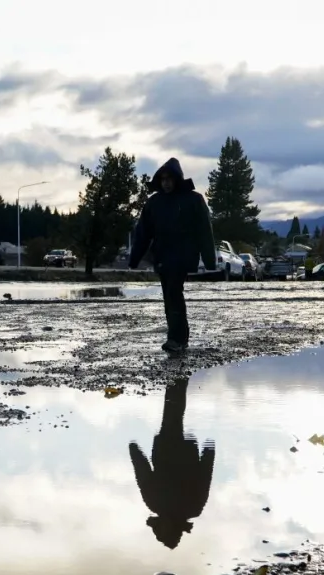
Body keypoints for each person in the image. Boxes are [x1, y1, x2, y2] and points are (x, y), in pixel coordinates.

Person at [129, 158, 216, 353]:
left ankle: (176, 339)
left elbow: (204, 230)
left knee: (173, 293)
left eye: (169, 178)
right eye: (163, 179)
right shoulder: (154, 203)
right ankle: (179, 337)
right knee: (169, 297)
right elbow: (143, 232)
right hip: (162, 256)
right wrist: (134, 259)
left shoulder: (193, 200)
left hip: (183, 255)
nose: (166, 182)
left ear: (177, 179)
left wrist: (210, 260)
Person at [128, 378, 215, 549]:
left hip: (178, 452)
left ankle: (177, 379)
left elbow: (205, 478)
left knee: (172, 417)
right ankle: (177, 378)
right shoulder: (157, 504)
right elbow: (143, 472)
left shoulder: (192, 509)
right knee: (172, 417)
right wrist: (134, 451)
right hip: (167, 452)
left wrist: (209, 452)